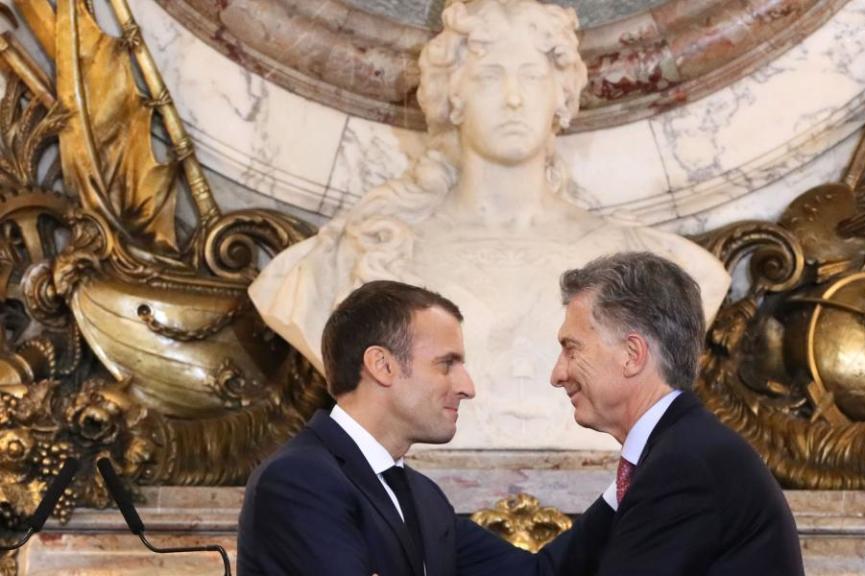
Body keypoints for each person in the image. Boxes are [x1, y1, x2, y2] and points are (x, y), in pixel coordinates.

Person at [248, 0, 730, 451]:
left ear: (562, 96)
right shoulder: (349, 257)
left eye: (532, 76)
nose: (514, 98)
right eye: (490, 76)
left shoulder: (667, 266)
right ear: (451, 94)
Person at [238, 280, 614, 575]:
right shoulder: (298, 480)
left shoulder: (422, 495)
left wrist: (628, 483)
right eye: (446, 364)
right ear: (382, 365)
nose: (467, 386)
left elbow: (537, 572)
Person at [550, 252, 804, 575]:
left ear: (632, 355)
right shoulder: (682, 447)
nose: (557, 374)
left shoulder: (682, 464)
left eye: (572, 349)